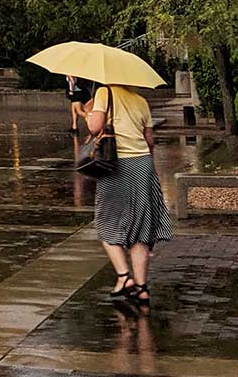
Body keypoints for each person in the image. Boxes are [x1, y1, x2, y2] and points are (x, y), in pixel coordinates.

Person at [86, 79, 170, 307]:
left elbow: (94, 128)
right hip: (143, 164)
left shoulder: (104, 93)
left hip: (117, 165)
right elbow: (149, 139)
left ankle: (124, 276)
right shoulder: (141, 101)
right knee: (141, 226)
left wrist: (89, 112)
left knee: (106, 222)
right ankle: (142, 288)